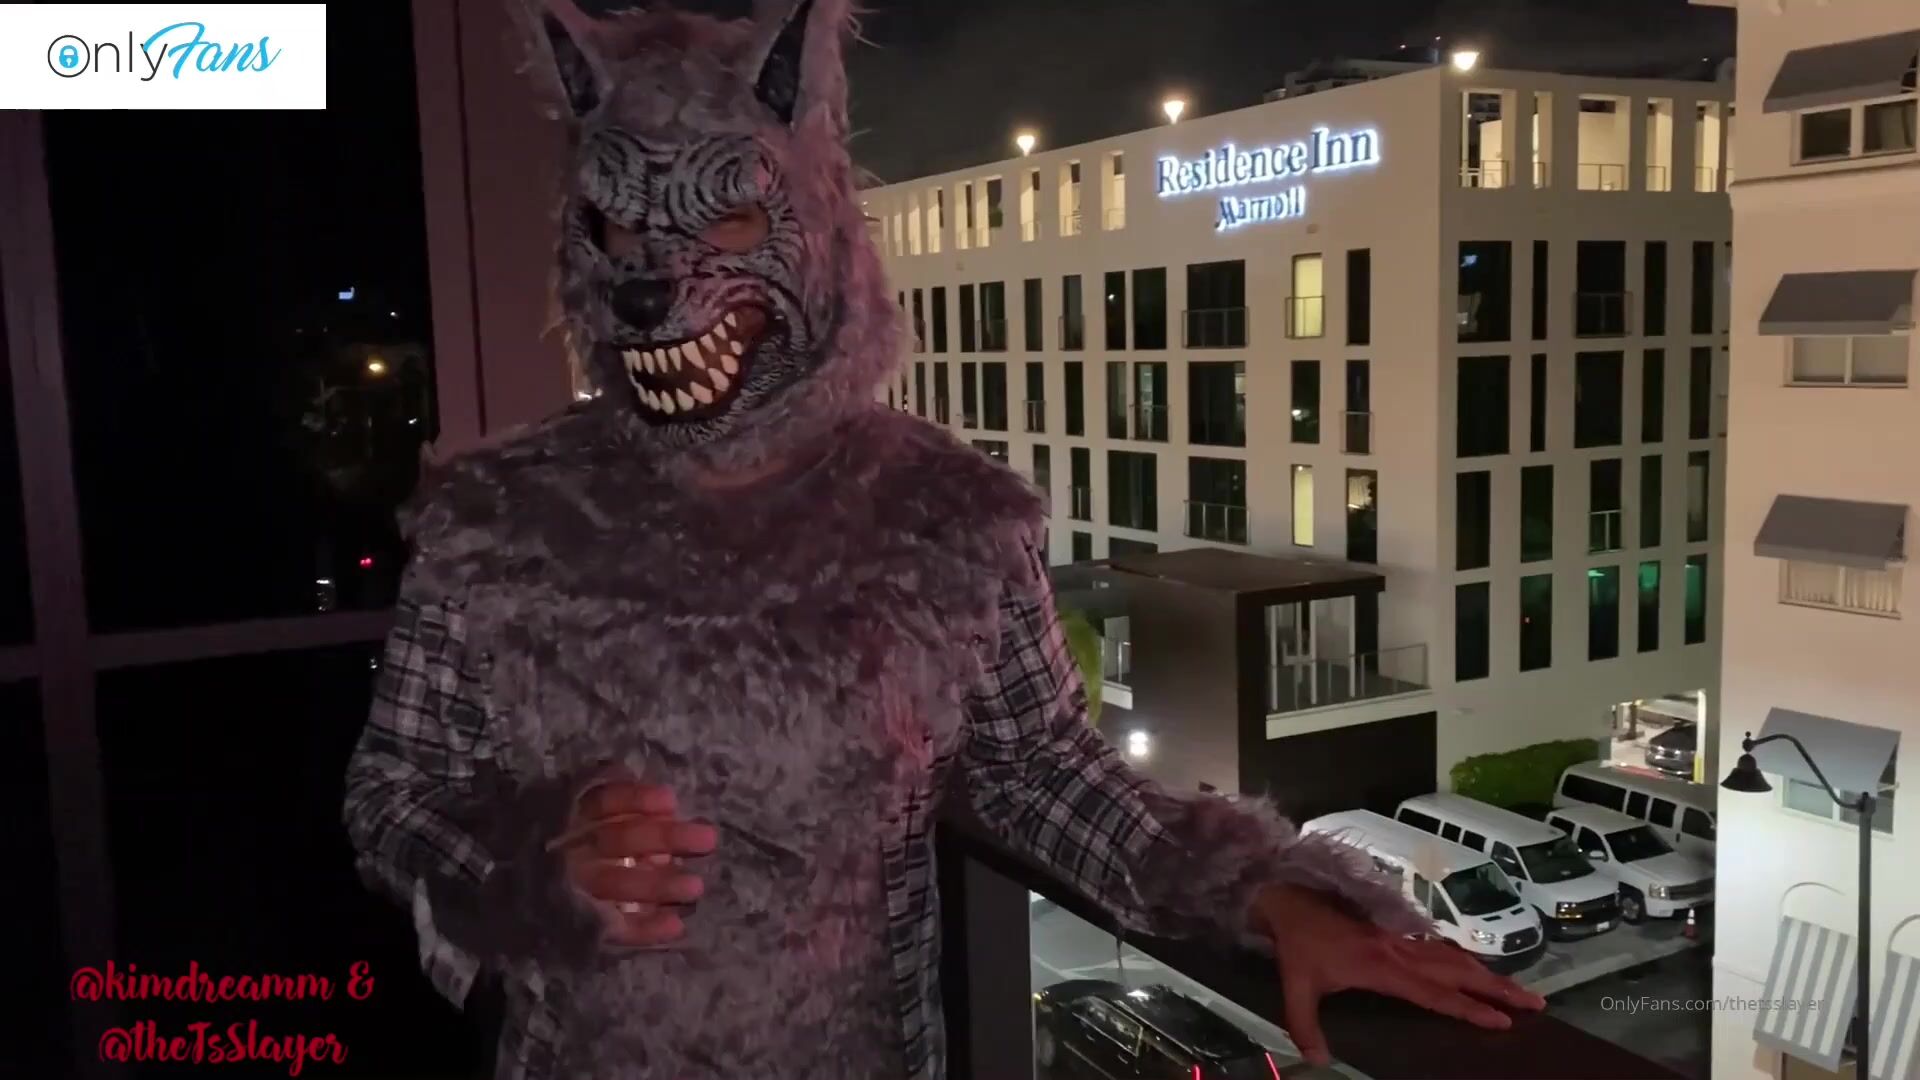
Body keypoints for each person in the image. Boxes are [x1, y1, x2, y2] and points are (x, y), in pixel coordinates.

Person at [341, 2, 1543, 1077]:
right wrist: (527, 864)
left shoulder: (945, 515)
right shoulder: (495, 520)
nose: (653, 281)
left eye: (733, 216)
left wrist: (1269, 896)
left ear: (817, 221)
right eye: (616, 229)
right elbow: (396, 794)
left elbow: (1040, 773)